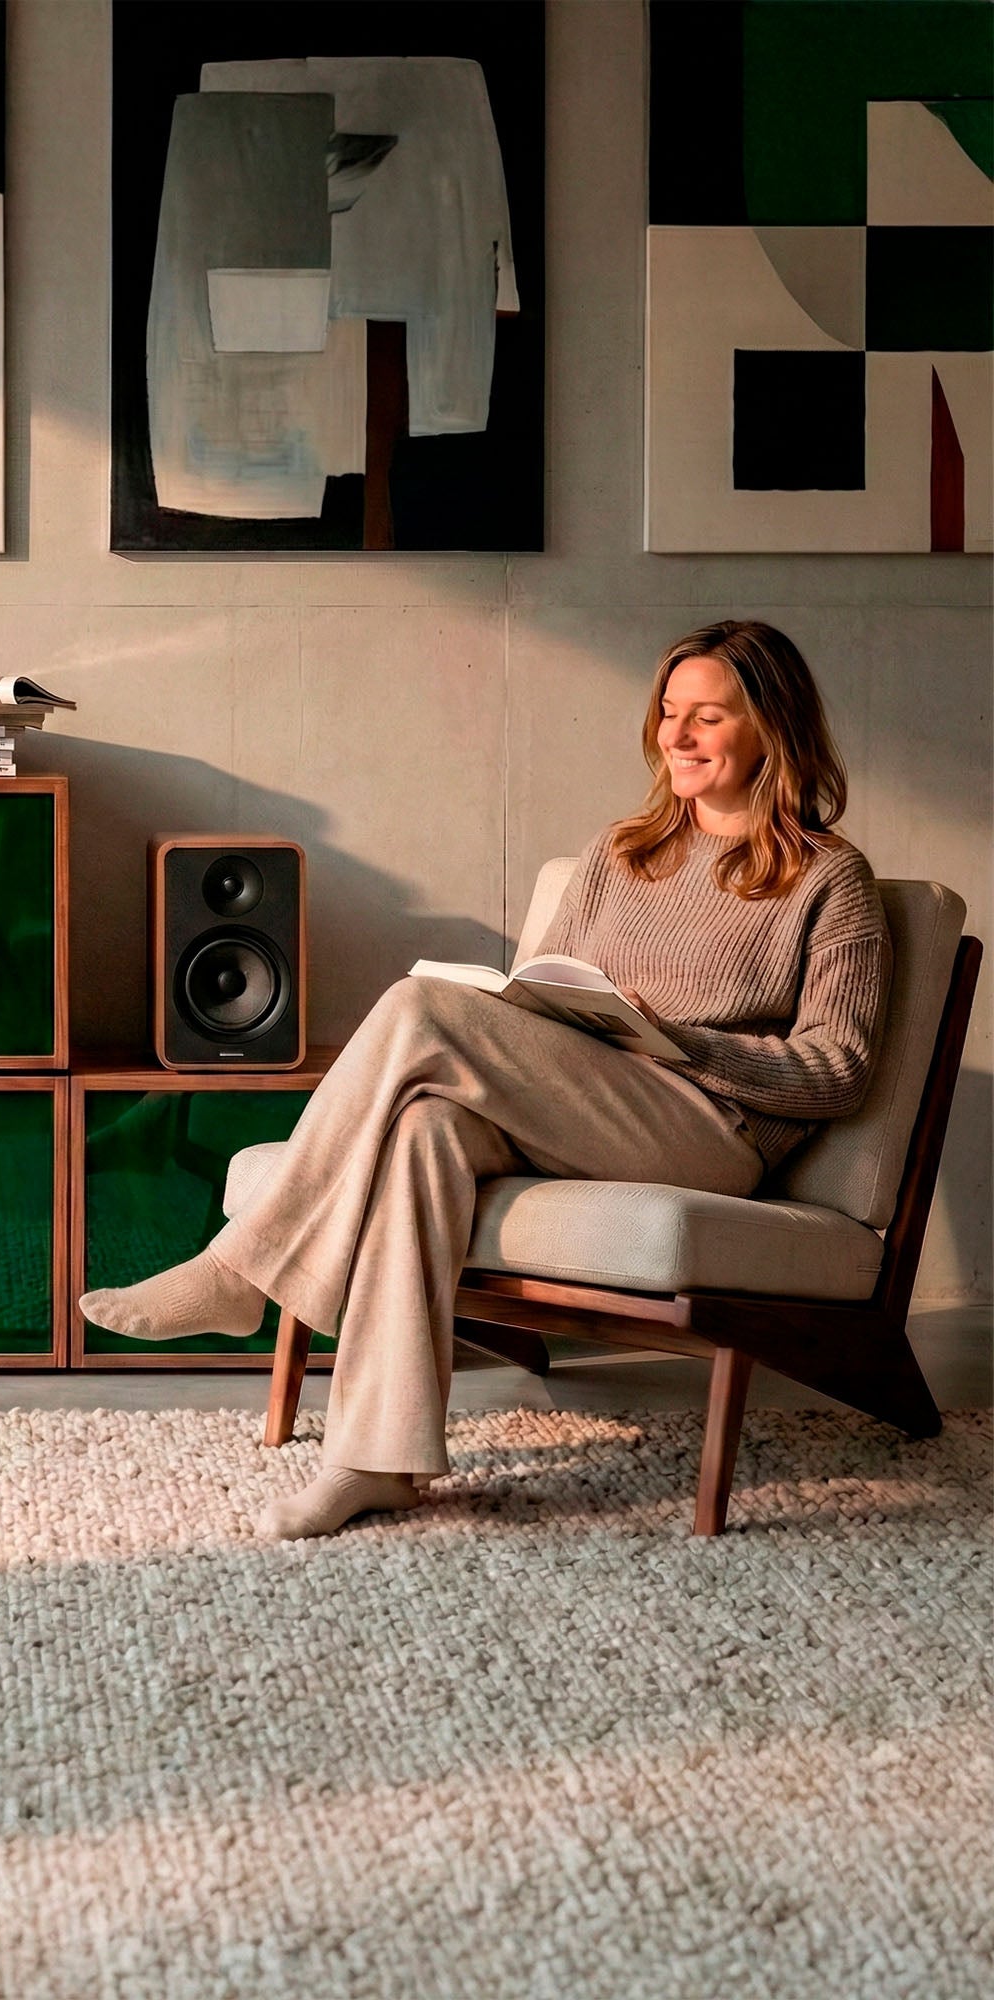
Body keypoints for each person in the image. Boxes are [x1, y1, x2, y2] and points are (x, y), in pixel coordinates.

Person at [78, 620, 892, 1540]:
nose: (679, 737)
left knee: (420, 1011)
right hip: (584, 1102)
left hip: (710, 1131)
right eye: (669, 713)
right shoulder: (620, 855)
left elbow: (839, 1073)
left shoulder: (830, 880)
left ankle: (241, 1267)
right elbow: (538, 1003)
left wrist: (683, 1044)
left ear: (771, 729)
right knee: (426, 1125)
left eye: (708, 716)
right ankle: (376, 1460)